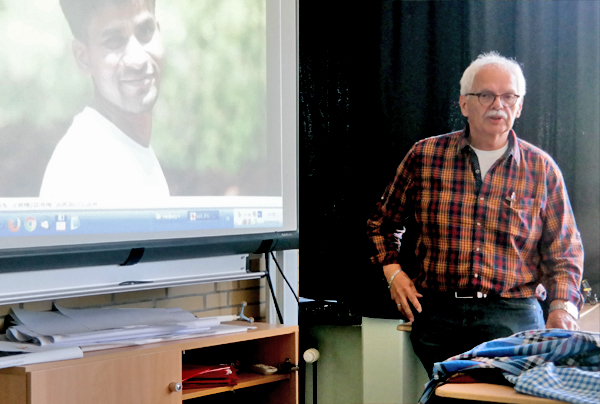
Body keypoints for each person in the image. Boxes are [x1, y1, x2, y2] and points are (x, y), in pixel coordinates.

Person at [366, 51, 584, 376]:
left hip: (512, 314)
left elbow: (564, 252)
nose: (498, 105)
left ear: (519, 106)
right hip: (438, 314)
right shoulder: (424, 156)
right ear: (464, 104)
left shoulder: (541, 169)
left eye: (509, 96)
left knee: (506, 397)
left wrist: (562, 308)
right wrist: (393, 274)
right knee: (448, 395)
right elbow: (381, 224)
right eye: (486, 95)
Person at [40, 0, 169, 199]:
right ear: (84, 58)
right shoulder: (82, 167)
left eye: (145, 31)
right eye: (114, 41)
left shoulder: (129, 148)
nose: (138, 59)